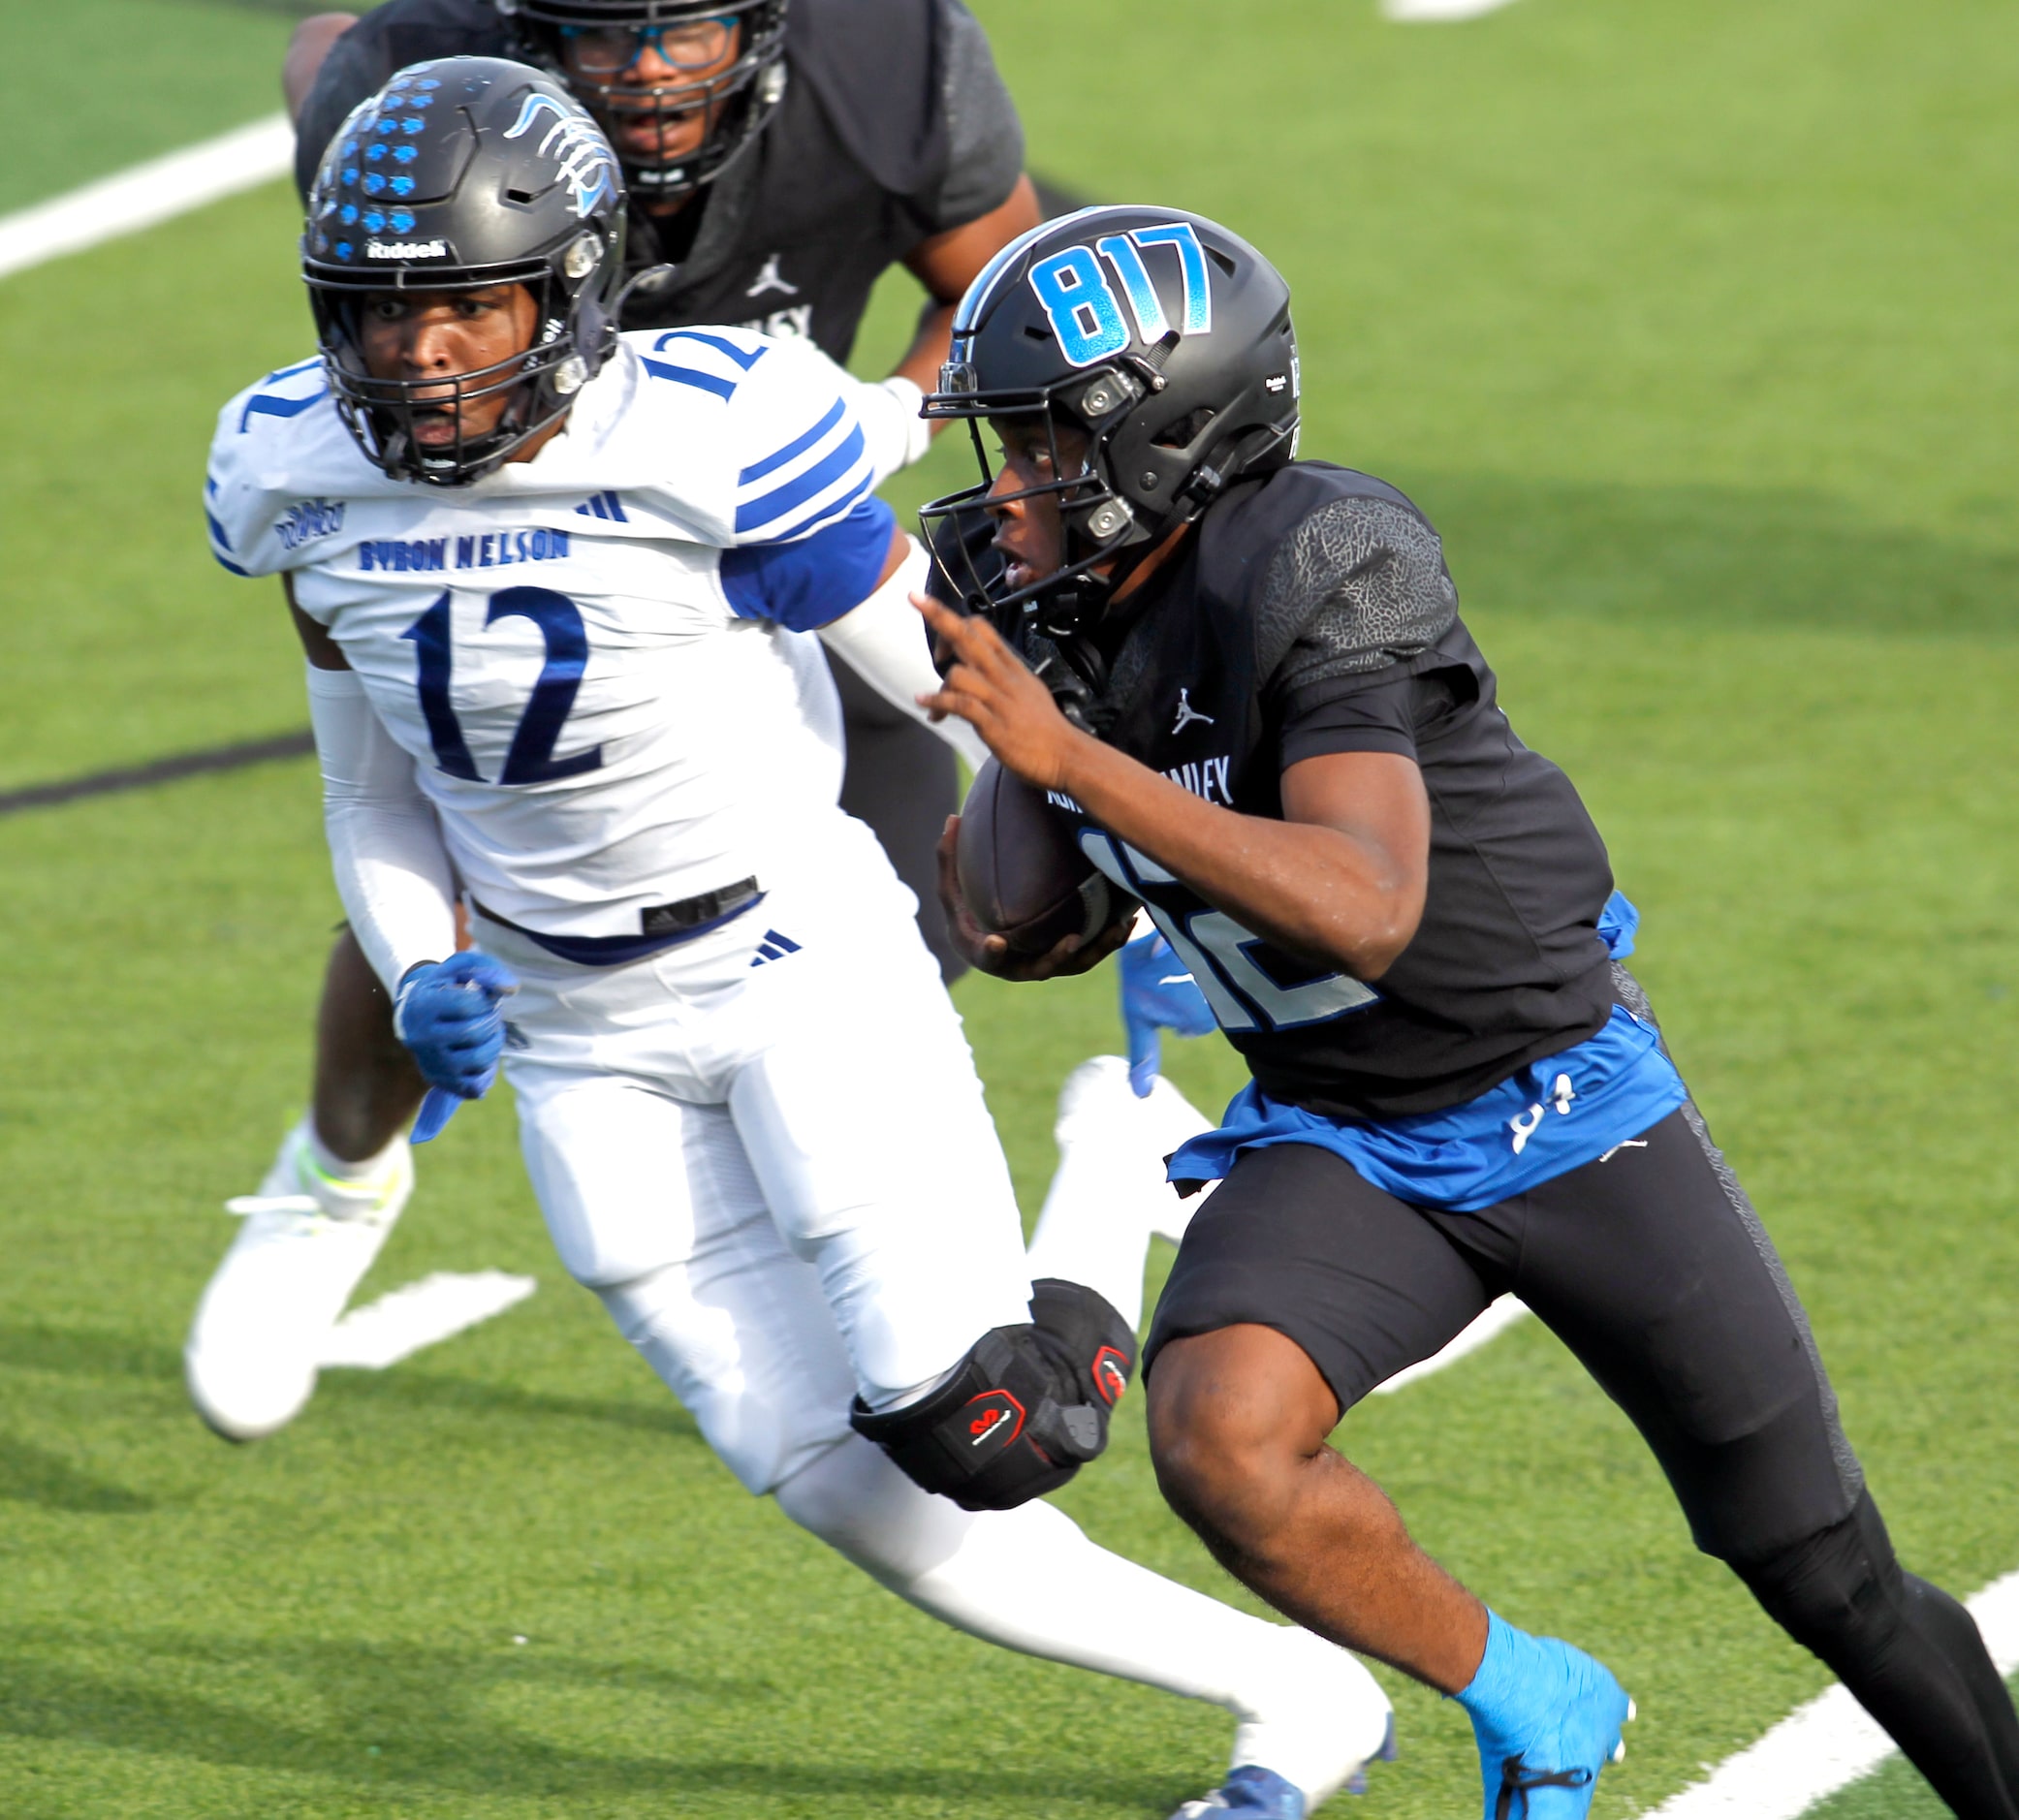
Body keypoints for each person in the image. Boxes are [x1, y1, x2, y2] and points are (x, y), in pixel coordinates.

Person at [201, 66, 1397, 1818]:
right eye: (381, 320)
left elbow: (966, 691)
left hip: (783, 960)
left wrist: (1139, 877)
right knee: (845, 1488)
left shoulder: (706, 434)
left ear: (573, 285)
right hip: (566, 1028)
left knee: (989, 1422)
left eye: (468, 303)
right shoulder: (292, 470)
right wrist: (417, 968)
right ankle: (1299, 1692)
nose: (425, 358)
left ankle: (1121, 1164)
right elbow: (372, 795)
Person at [912, 204, 2019, 1819]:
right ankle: (1534, 1694)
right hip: (1341, 1129)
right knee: (1219, 1431)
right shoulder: (1073, 608)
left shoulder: (1325, 551)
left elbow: (1368, 905)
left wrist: (1079, 758)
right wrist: (1031, 717)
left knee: (1818, 1568)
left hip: (1560, 1102)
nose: (1009, 487)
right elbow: (1020, 928)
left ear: (1162, 434)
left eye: (1038, 446)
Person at [186, 0, 1210, 1443]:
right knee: (452, 850)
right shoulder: (408, 109)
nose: (651, 72)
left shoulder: (888, 62)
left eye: (690, 28)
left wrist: (867, 425)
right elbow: (328, 70)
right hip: (488, 530)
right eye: (604, 37)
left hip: (773, 509)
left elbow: (987, 304)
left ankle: (923, 1242)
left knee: (955, 887)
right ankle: (338, 1174)